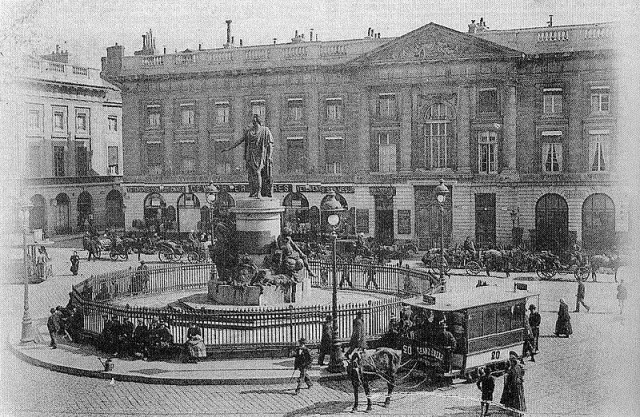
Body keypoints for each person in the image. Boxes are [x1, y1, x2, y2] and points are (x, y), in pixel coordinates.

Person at [222, 114, 273, 198]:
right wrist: (229, 148)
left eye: (254, 118)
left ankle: (259, 192)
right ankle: (253, 192)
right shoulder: (249, 131)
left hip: (260, 155)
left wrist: (269, 156)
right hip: (250, 154)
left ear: (257, 120)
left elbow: (270, 144)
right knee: (251, 175)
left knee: (257, 172)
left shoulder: (265, 130)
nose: (252, 120)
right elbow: (240, 141)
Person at [500, 351, 526, 416]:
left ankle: (515, 412)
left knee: (515, 400)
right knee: (520, 399)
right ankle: (521, 411)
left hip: (514, 387)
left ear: (512, 362)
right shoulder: (518, 367)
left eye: (510, 361)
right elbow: (523, 372)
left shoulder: (512, 370)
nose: (510, 363)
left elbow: (509, 381)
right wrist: (520, 378)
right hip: (519, 386)